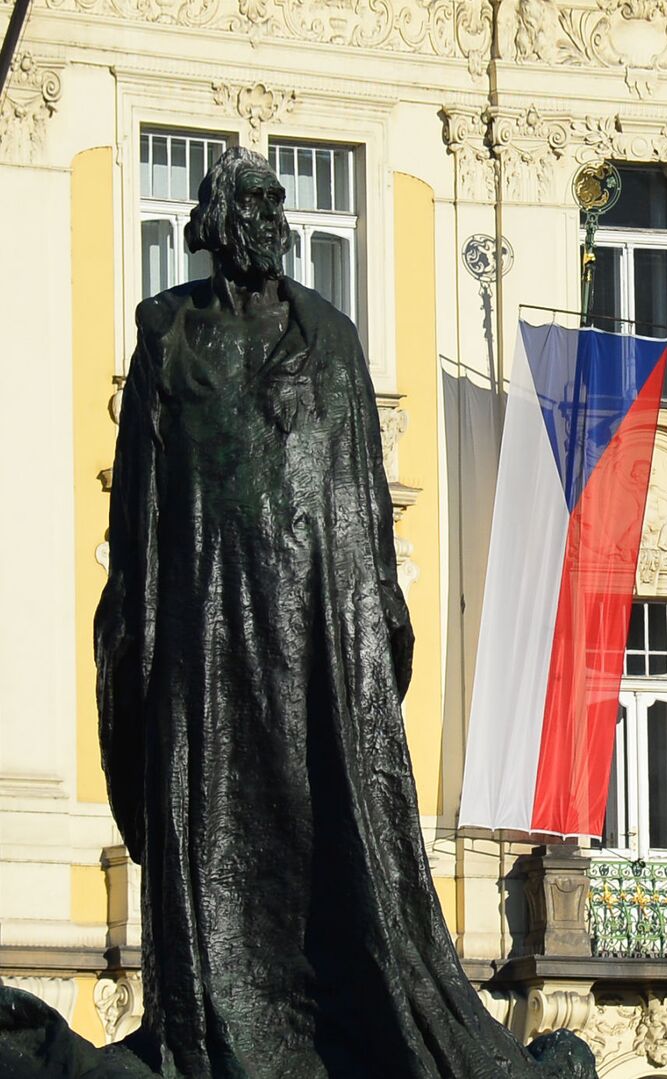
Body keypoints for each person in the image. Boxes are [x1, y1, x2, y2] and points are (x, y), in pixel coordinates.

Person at [91, 147, 583, 1077]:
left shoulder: (331, 336)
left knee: (322, 804)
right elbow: (140, 504)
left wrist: (373, 616)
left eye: (282, 202)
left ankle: (328, 1012)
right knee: (215, 809)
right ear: (217, 219)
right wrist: (138, 630)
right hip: (206, 619)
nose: (275, 217)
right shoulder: (167, 332)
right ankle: (221, 1023)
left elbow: (361, 494)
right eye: (257, 202)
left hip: (311, 623)